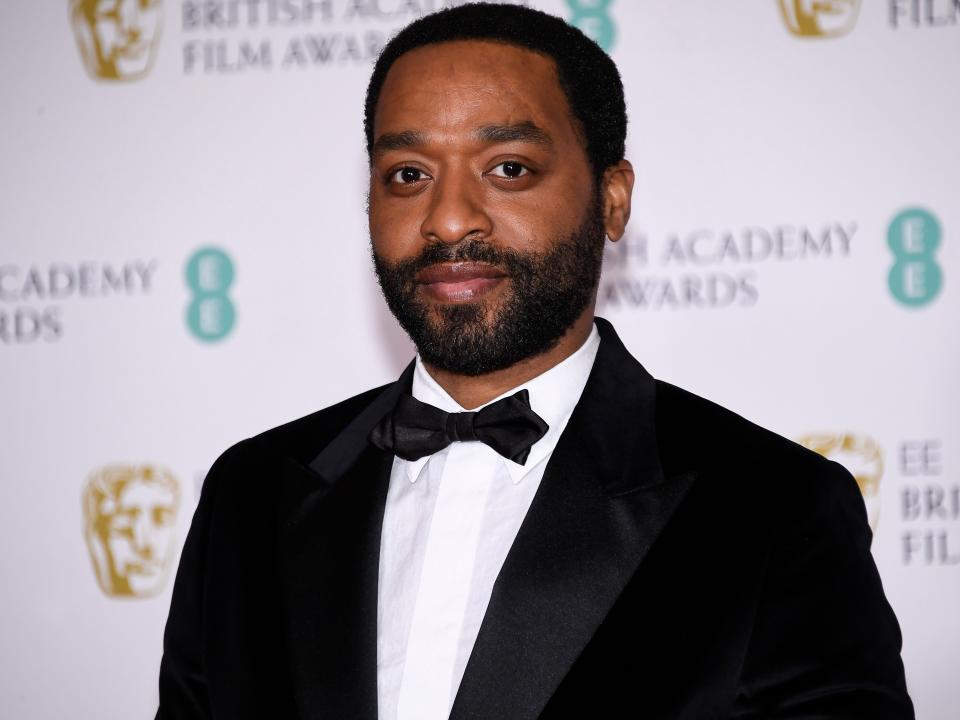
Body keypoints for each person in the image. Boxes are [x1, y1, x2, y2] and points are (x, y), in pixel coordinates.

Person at [156, 4, 913, 719]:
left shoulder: (773, 509)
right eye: (408, 174)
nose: (449, 218)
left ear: (612, 199)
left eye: (509, 169)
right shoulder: (249, 497)